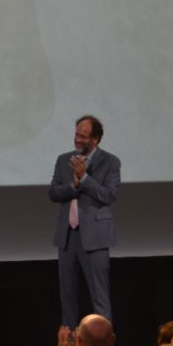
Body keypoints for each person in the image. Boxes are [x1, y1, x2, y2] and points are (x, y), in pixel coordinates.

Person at [48, 116, 120, 326]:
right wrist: (74, 185)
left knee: (100, 298)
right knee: (68, 298)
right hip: (67, 237)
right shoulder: (64, 160)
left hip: (95, 238)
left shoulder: (110, 162)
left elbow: (109, 195)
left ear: (96, 139)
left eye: (83, 136)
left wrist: (86, 179)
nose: (78, 140)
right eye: (76, 134)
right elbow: (53, 193)